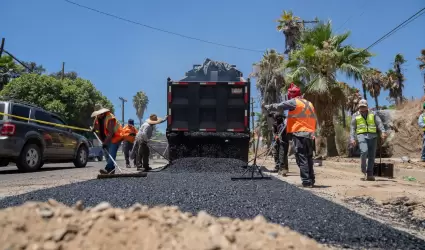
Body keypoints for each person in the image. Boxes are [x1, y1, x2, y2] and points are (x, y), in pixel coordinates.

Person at [264, 83, 317, 187]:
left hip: (300, 133)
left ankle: (306, 181)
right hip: (310, 134)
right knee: (309, 157)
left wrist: (268, 106)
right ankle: (311, 180)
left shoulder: (294, 102)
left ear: (291, 95)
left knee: (301, 157)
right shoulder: (309, 103)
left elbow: (280, 106)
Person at [350, 99, 387, 181]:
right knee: (364, 151)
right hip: (361, 135)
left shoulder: (373, 113)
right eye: (361, 106)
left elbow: (379, 123)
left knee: (372, 155)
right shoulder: (355, 115)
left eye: (364, 106)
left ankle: (370, 174)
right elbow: (352, 128)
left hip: (373, 136)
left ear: (367, 106)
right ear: (359, 107)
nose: (362, 108)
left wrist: (383, 132)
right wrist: (352, 139)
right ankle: (363, 170)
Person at [91, 108, 123, 174]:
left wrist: (105, 143)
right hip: (107, 138)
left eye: (98, 114)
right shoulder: (98, 118)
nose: (97, 116)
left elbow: (111, 132)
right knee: (106, 153)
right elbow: (96, 125)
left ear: (102, 114)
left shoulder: (110, 118)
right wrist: (94, 128)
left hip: (116, 136)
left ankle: (108, 168)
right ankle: (111, 169)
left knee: (111, 152)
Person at [269, 112, 289, 176]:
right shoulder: (274, 124)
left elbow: (286, 133)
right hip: (276, 140)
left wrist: (281, 137)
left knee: (283, 155)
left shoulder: (284, 124)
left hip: (284, 141)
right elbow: (274, 132)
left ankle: (284, 168)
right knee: (275, 153)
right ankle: (278, 166)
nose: (275, 119)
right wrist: (276, 136)